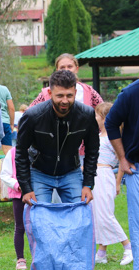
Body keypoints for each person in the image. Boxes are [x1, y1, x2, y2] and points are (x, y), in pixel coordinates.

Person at [15, 69, 99, 205]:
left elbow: (93, 150)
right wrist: (26, 187)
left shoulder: (86, 115)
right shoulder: (32, 116)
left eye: (69, 95)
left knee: (79, 213)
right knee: (40, 217)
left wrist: (88, 184)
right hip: (39, 172)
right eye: (60, 96)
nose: (65, 101)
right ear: (49, 93)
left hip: (71, 171)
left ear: (75, 93)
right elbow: (20, 152)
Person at [92, 102, 133, 265]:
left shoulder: (112, 138)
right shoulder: (98, 135)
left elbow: (122, 160)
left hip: (104, 174)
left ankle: (128, 247)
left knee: (105, 215)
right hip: (94, 175)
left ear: (104, 118)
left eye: (97, 115)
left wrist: (117, 183)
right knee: (98, 213)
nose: (94, 118)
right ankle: (102, 252)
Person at [30, 54, 104, 109]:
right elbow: (29, 113)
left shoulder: (89, 91)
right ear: (57, 70)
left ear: (77, 69)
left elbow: (103, 112)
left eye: (70, 67)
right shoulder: (46, 93)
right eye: (62, 67)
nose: (66, 70)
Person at [0, 145, 27, 270]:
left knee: (38, 226)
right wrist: (17, 185)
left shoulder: (41, 147)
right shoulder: (13, 152)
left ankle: (39, 256)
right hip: (18, 195)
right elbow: (5, 175)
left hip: (37, 194)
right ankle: (20, 258)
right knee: (20, 226)